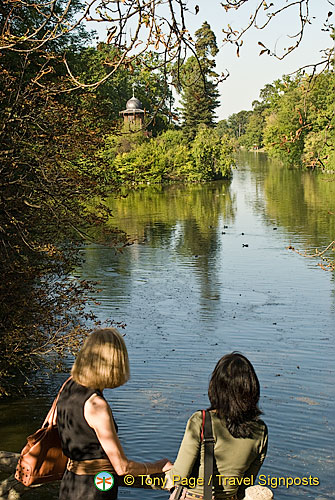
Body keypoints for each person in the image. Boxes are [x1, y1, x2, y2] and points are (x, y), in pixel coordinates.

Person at [56, 328, 172, 499]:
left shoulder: (68, 387)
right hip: (94, 488)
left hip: (70, 484)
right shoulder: (96, 405)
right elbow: (122, 468)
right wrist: (158, 466)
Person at [167, 353, 268, 500]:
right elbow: (246, 483)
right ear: (252, 389)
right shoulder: (260, 430)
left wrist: (165, 471)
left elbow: (179, 477)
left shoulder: (200, 421)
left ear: (216, 387)